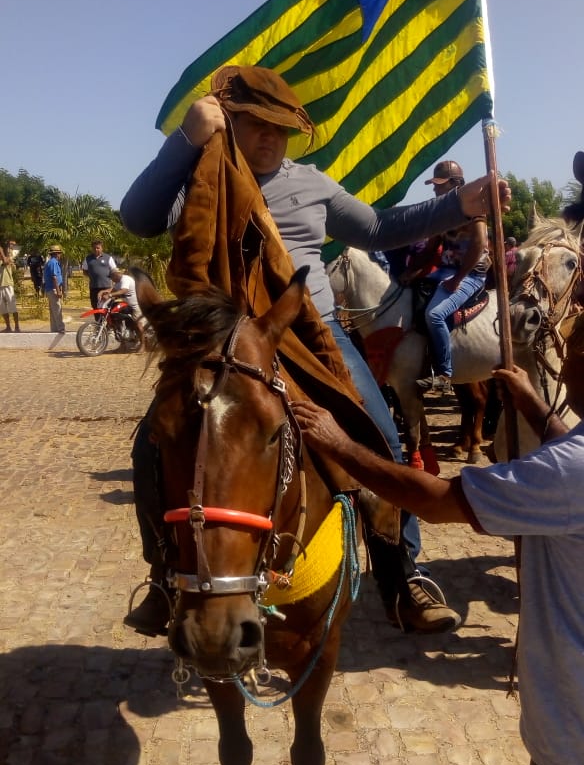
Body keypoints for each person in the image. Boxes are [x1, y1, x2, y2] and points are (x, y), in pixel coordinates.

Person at [120, 64, 511, 637]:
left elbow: (377, 228)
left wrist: (463, 206)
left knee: (380, 435)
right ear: (230, 122)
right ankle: (162, 576)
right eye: (257, 125)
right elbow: (137, 218)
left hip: (311, 333)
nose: (271, 138)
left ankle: (404, 573)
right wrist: (185, 141)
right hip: (220, 340)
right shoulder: (195, 173)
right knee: (152, 444)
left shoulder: (313, 183)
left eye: (280, 128)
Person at [292, 311, 584, 765]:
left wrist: (341, 444)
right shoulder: (571, 464)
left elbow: (438, 498)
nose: (563, 351)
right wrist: (534, 408)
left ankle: (406, 578)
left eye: (573, 345)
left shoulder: (570, 473)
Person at [414, 160, 491, 394]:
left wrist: (458, 279)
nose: (435, 189)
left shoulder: (474, 209)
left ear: (455, 184)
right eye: (435, 185)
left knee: (435, 314)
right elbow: (431, 248)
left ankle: (445, 375)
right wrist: (411, 272)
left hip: (471, 274)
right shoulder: (441, 212)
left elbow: (479, 245)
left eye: (440, 184)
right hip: (445, 271)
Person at [82, 240, 116, 309]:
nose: (96, 250)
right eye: (94, 248)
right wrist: (92, 276)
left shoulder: (108, 258)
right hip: (94, 287)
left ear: (102, 248)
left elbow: (114, 271)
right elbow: (85, 271)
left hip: (106, 287)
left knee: (107, 306)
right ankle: (98, 320)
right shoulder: (88, 259)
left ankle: (106, 319)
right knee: (95, 305)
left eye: (98, 248)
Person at [43, 245, 65, 333]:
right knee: (57, 309)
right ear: (56, 254)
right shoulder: (53, 263)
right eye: (59, 253)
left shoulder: (53, 262)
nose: (60, 255)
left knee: (53, 311)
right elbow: (54, 277)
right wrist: (58, 291)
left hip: (51, 289)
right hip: (53, 289)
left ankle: (54, 329)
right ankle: (60, 328)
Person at [0, 242, 21, 333]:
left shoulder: (8, 259)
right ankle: (8, 327)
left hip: (8, 285)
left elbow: (5, 261)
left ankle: (17, 327)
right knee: (2, 308)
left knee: (13, 307)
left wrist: (1, 251)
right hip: (0, 286)